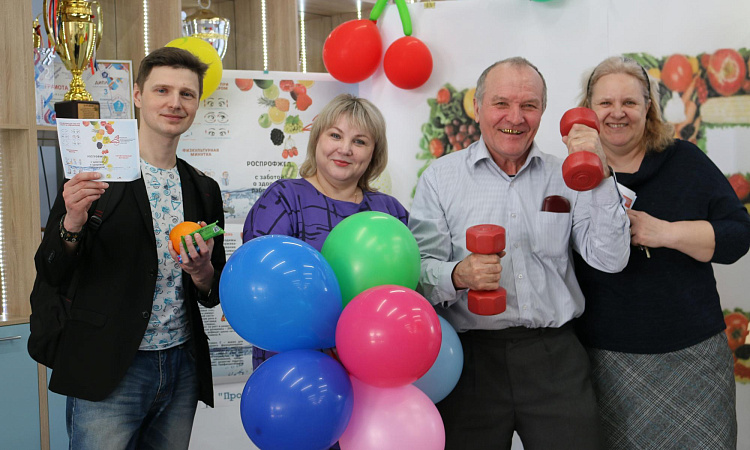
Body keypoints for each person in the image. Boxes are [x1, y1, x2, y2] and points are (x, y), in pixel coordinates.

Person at [408, 57, 631, 450]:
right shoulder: (440, 179)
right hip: (468, 359)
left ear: (543, 111)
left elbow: (610, 259)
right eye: (501, 103)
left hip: (554, 356)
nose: (515, 117)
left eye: (529, 105)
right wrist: (458, 274)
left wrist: (601, 172)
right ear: (477, 107)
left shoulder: (568, 175)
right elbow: (417, 275)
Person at [29, 47, 226, 449]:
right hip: (109, 365)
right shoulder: (94, 176)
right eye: (162, 90)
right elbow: (50, 269)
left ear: (197, 104)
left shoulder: (204, 188)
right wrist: (72, 222)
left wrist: (202, 271)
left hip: (181, 364)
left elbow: (212, 291)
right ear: (137, 95)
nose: (175, 103)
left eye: (187, 94)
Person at [572, 56, 750, 449]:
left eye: (630, 102)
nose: (617, 112)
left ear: (648, 107)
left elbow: (738, 236)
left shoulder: (684, 160)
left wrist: (665, 232)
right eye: (605, 103)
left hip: (694, 358)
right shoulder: (569, 174)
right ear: (587, 109)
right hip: (607, 362)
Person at [242, 93, 409, 369]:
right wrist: (333, 335)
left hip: (373, 366)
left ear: (374, 153)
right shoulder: (283, 199)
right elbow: (262, 287)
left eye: (360, 141)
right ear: (317, 140)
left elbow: (407, 295)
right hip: (295, 369)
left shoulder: (390, 212)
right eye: (335, 135)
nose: (345, 149)